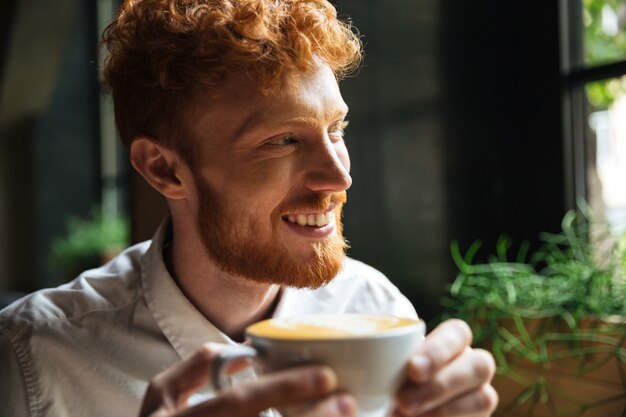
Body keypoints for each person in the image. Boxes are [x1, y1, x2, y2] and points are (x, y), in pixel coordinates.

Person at [0, 1, 498, 416]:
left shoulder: (374, 308)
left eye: (336, 130)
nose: (339, 177)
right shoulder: (33, 362)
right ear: (164, 170)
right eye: (282, 141)